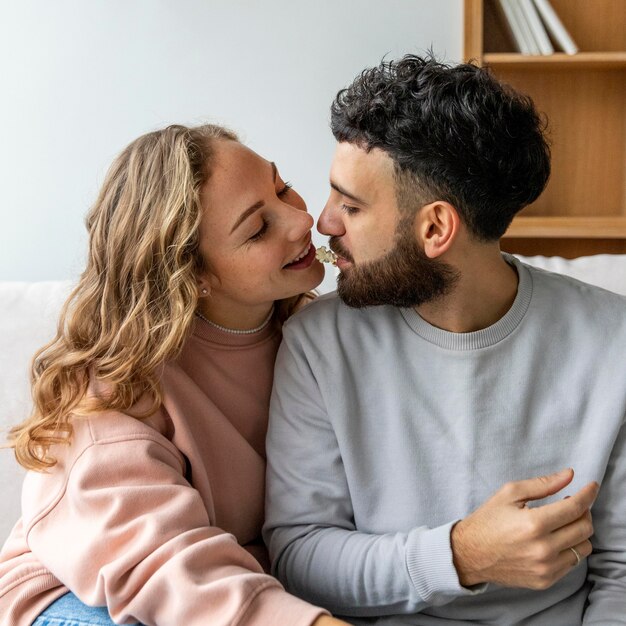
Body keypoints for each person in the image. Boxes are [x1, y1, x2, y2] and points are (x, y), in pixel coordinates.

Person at [264, 55, 626, 625]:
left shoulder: (614, 342)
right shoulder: (318, 343)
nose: (324, 222)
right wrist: (464, 554)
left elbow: (623, 573)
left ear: (435, 228)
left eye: (351, 205)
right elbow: (299, 556)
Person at [0, 124, 349, 626]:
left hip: (226, 586)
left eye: (281, 186)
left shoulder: (310, 336)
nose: (300, 220)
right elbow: (161, 566)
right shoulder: (117, 389)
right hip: (79, 596)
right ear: (195, 275)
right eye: (258, 229)